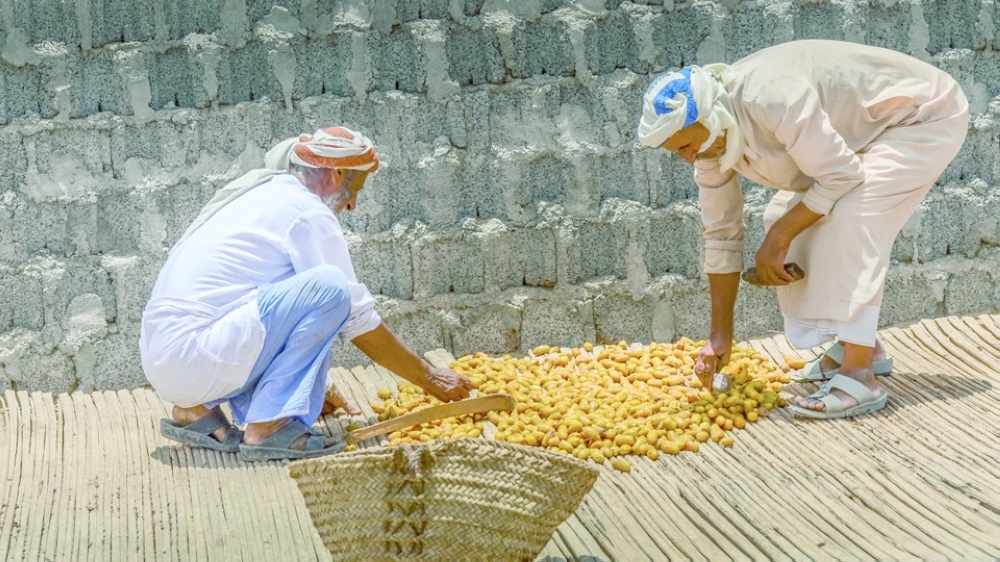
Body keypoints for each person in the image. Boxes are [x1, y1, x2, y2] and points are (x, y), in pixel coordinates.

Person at [637, 40, 969, 419]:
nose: (688, 158)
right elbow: (721, 235)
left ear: (709, 120)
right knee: (787, 212)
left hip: (922, 116)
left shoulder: (770, 97)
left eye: (687, 145)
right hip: (867, 132)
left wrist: (780, 237)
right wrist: (719, 336)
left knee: (850, 216)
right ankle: (863, 348)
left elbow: (841, 176)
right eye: (677, 151)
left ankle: (860, 377)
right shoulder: (711, 146)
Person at [139, 126, 475, 460]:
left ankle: (193, 412)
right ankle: (268, 428)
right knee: (331, 288)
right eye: (354, 188)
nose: (353, 204)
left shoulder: (262, 195)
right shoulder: (308, 212)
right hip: (199, 354)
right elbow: (357, 320)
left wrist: (315, 388)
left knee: (315, 289)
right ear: (336, 173)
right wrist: (430, 378)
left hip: (165, 361)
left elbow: (258, 308)